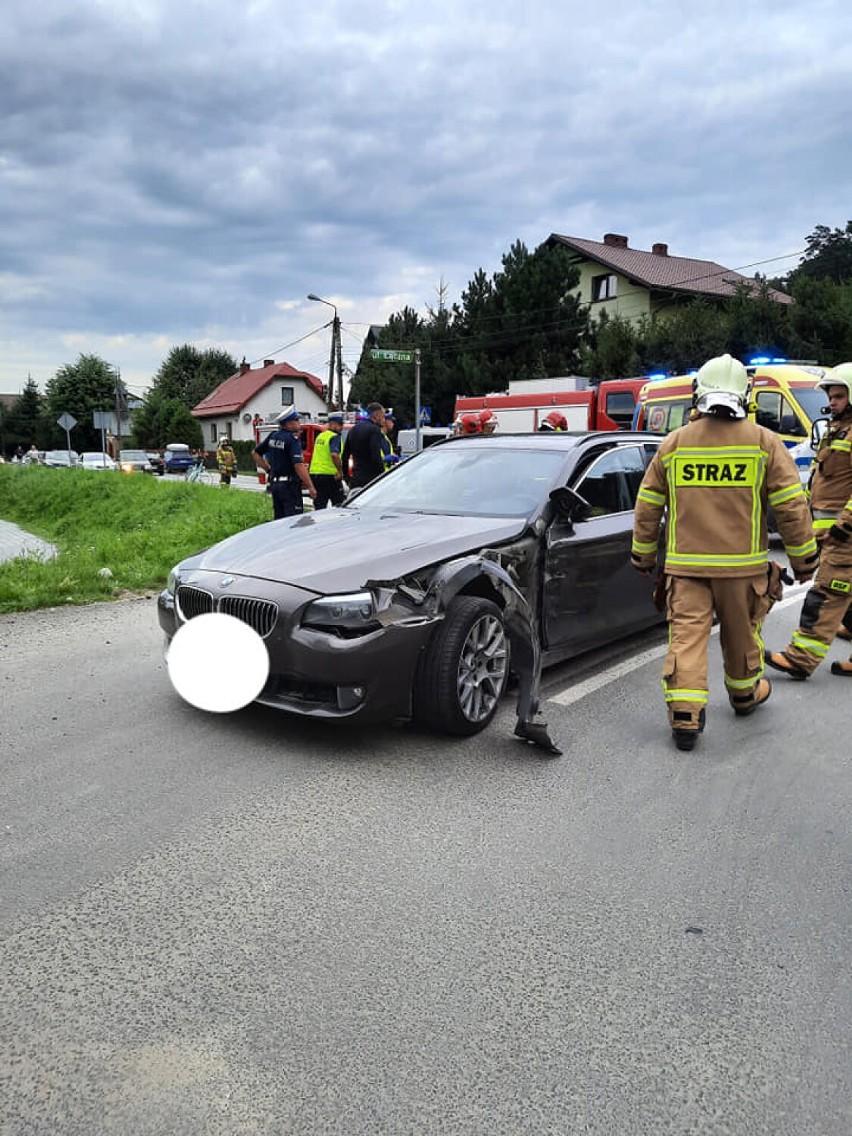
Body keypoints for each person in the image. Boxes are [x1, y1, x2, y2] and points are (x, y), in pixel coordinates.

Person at [631, 353, 818, 752]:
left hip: (687, 569)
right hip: (742, 571)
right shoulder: (764, 442)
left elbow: (647, 505)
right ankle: (745, 696)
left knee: (686, 638)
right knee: (741, 636)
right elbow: (790, 504)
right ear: (744, 395)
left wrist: (643, 557)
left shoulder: (674, 444)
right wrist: (804, 560)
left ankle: (685, 715)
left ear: (698, 395)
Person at [766, 363, 852, 678]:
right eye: (831, 396)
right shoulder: (837, 428)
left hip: (845, 534)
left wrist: (845, 526)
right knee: (846, 589)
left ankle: (800, 660)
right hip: (830, 531)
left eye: (839, 396)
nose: (832, 402)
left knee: (827, 591)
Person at [252, 407, 317, 518]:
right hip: (289, 486)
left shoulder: (273, 436)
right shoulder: (292, 440)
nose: (299, 424)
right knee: (293, 520)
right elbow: (298, 465)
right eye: (297, 421)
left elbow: (255, 453)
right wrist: (311, 486)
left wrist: (268, 470)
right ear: (288, 423)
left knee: (279, 519)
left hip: (275, 484)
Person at [341, 402, 386, 489]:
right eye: (383, 416)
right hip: (371, 480)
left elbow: (345, 456)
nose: (384, 420)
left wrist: (347, 477)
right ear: (376, 415)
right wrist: (383, 475)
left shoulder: (353, 429)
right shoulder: (375, 430)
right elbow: (376, 457)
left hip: (356, 478)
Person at [308, 412, 346, 509]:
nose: (342, 427)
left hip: (315, 475)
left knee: (319, 507)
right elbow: (334, 455)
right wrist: (340, 471)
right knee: (339, 506)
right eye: (340, 424)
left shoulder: (321, 436)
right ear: (332, 424)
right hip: (330, 476)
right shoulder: (334, 437)